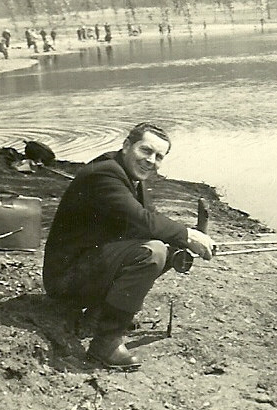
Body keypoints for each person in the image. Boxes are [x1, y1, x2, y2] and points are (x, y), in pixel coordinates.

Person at [43, 123, 215, 369]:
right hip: (66, 279)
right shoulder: (103, 174)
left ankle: (100, 314)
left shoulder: (131, 176)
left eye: (158, 157)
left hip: (87, 266)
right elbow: (142, 220)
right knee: (152, 252)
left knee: (166, 248)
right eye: (146, 151)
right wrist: (189, 235)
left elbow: (149, 219)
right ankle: (106, 343)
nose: (150, 161)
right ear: (126, 145)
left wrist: (185, 242)